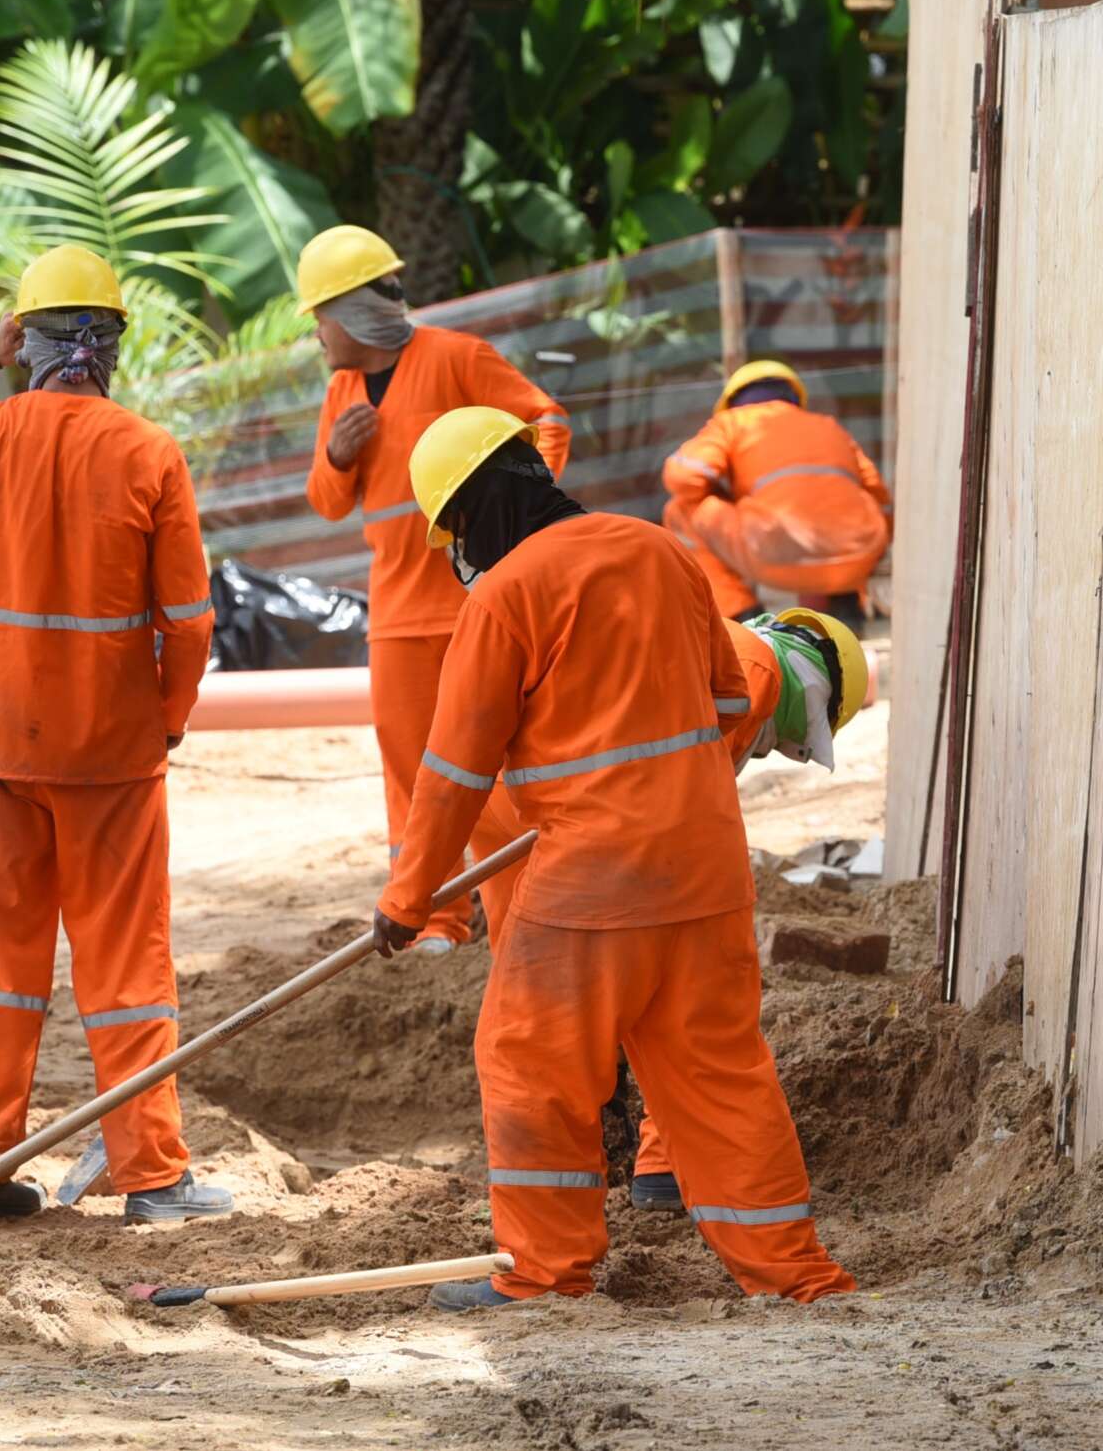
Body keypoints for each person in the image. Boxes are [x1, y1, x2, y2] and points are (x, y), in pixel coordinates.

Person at [374, 405, 856, 1310]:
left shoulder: (504, 598)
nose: (460, 552)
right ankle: (797, 1276)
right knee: (720, 1074)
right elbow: (728, 700)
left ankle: (545, 1274)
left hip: (591, 883)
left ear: (474, 510)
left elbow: (454, 772)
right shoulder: (660, 550)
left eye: (457, 532)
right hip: (706, 868)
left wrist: (409, 901)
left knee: (529, 1062)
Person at [0, 245, 231, 1225]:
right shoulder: (148, 452)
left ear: (23, 340)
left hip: (1, 748)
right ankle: (152, 1176)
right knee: (125, 963)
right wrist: (167, 717)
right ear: (113, 343)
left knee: (1, 953)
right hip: (110, 754)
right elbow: (189, 620)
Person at [297, 225, 568, 951]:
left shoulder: (456, 358)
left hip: (477, 602)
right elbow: (327, 502)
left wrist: (526, 517)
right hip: (395, 615)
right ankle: (436, 921)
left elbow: (546, 420)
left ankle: (524, 912)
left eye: (320, 316)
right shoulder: (341, 391)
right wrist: (337, 456)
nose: (317, 334)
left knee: (496, 770)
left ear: (354, 314)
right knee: (412, 777)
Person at [627, 605, 869, 1213]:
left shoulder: (731, 653)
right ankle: (675, 1168)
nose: (768, 755)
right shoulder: (756, 669)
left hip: (578, 824)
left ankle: (649, 1166)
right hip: (626, 844)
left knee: (606, 1005)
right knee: (702, 1000)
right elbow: (665, 786)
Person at [660, 359, 892, 623]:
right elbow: (879, 495)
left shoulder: (732, 422)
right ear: (794, 397)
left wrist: (722, 494)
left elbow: (685, 478)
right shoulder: (828, 425)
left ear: (732, 401)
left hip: (777, 557)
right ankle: (845, 603)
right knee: (848, 512)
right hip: (858, 559)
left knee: (681, 509)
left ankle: (742, 615)